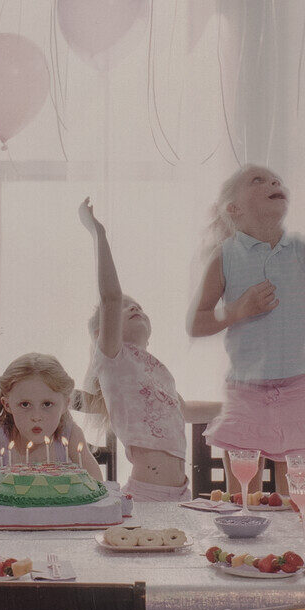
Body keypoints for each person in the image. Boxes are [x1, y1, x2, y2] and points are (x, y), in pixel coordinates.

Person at [189, 165, 305, 498]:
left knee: (296, 497)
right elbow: (198, 322)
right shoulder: (225, 256)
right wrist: (236, 311)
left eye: (276, 178)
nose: (274, 181)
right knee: (241, 497)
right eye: (258, 180)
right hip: (245, 392)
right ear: (233, 209)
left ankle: (295, 548)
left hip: (299, 387)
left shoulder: (301, 247)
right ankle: (242, 549)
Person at [76, 199, 220, 503]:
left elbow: (184, 410)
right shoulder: (114, 359)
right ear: (103, 332)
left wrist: (235, 407)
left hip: (181, 494)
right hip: (148, 495)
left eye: (138, 305)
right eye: (126, 307)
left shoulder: (156, 370)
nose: (134, 306)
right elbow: (111, 297)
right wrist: (98, 233)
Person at [0, 353, 101, 491]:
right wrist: (1, 489)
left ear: (65, 404)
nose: (36, 416)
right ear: (7, 405)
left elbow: (98, 484)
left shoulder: (70, 435)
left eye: (47, 404)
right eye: (25, 404)